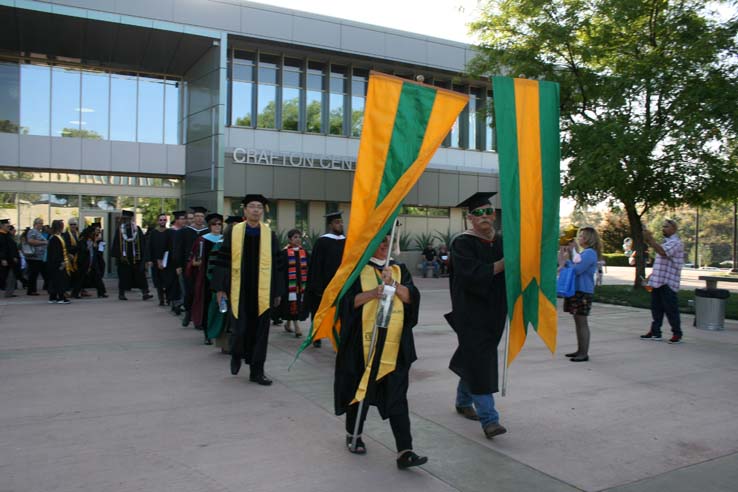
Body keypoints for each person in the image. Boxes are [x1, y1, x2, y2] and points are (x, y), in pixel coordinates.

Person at [334, 234, 427, 469]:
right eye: (380, 242)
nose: (385, 246)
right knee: (360, 390)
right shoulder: (356, 270)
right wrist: (374, 292)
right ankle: (353, 435)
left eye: (388, 241)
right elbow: (345, 304)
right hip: (361, 345)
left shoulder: (399, 269)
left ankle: (405, 451)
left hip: (394, 344)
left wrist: (393, 285)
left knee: (397, 396)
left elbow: (412, 298)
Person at [446, 192, 507, 439]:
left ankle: (462, 400)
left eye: (488, 212)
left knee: (474, 358)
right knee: (481, 362)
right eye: (478, 213)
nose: (484, 217)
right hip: (470, 313)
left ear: (494, 215)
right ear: (470, 218)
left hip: (495, 312)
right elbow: (472, 275)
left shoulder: (503, 241)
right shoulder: (462, 243)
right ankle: (489, 419)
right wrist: (505, 263)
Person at [212, 195, 283, 385]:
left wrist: (277, 292)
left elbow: (277, 265)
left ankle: (257, 371)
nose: (256, 210)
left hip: (262, 291)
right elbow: (223, 261)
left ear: (263, 211)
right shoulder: (233, 232)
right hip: (239, 290)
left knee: (261, 333)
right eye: (251, 206)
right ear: (244, 211)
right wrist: (220, 289)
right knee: (240, 330)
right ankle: (236, 353)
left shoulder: (270, 234)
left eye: (259, 207)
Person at [305, 211, 346, 348]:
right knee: (319, 311)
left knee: (340, 312)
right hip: (324, 284)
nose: (340, 225)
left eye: (341, 222)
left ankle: (339, 337)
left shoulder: (346, 241)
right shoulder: (322, 242)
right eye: (337, 222)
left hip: (341, 284)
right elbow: (316, 266)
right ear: (330, 225)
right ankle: (316, 335)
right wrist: (317, 286)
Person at [641, 219, 685, 343]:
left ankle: (677, 333)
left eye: (666, 226)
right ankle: (655, 332)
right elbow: (661, 262)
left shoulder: (676, 243)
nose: (663, 228)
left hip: (668, 283)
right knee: (656, 309)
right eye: (663, 226)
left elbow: (663, 252)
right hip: (658, 281)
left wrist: (650, 239)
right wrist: (651, 276)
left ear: (674, 229)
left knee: (671, 310)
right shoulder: (666, 242)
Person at [562, 227, 602, 362]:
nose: (579, 238)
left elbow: (577, 269)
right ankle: (580, 350)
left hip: (583, 291)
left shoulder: (590, 253)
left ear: (588, 238)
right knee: (578, 321)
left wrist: (568, 258)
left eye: (581, 236)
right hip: (578, 290)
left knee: (582, 322)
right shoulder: (585, 253)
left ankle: (583, 353)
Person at [187, 213, 223, 344]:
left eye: (219, 224)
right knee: (206, 305)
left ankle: (220, 333)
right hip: (206, 278)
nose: (217, 226)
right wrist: (195, 263)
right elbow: (194, 259)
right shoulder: (202, 240)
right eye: (214, 224)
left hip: (221, 278)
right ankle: (207, 334)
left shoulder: (225, 240)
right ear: (209, 226)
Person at [177, 206, 209, 327]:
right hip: (188, 267)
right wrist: (179, 265)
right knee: (189, 292)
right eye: (197, 216)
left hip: (203, 268)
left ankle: (198, 318)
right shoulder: (184, 232)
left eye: (201, 216)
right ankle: (188, 313)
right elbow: (178, 250)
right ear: (193, 218)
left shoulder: (207, 232)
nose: (199, 218)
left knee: (200, 293)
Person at [111, 210, 152, 301]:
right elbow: (116, 243)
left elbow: (143, 244)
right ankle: (121, 294)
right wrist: (118, 256)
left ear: (131, 219)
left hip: (136, 258)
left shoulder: (137, 229)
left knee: (140, 276)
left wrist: (145, 258)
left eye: (128, 219)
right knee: (123, 276)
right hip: (124, 259)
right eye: (125, 219)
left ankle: (145, 293)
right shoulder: (120, 230)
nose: (126, 220)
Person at [279, 229, 309, 337]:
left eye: (299, 237)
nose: (298, 239)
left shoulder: (304, 252)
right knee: (292, 305)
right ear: (290, 239)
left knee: (297, 305)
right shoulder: (284, 253)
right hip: (289, 285)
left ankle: (288, 324)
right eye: (295, 237)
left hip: (301, 285)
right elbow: (281, 270)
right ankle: (297, 327)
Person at [163, 211, 187, 314]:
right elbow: (164, 247)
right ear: (176, 220)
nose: (184, 221)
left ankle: (179, 303)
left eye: (184, 219)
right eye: (181, 219)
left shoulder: (186, 231)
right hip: (171, 262)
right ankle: (174, 303)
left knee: (181, 285)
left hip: (181, 261)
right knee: (173, 284)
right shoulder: (170, 232)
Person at [77, 223, 107, 298]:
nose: (97, 232)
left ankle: (101, 292)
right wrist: (94, 242)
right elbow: (84, 249)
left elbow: (101, 250)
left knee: (97, 276)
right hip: (86, 261)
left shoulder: (99, 239)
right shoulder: (84, 240)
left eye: (98, 230)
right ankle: (76, 292)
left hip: (95, 260)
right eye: (96, 230)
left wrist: (97, 243)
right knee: (81, 277)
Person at [46, 220, 71, 304]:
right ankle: (61, 297)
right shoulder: (56, 238)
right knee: (60, 280)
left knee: (54, 280)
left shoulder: (53, 237)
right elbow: (56, 252)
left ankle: (52, 297)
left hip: (53, 263)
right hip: (57, 263)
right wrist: (61, 262)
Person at [147, 213, 170, 306]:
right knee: (158, 281)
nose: (162, 221)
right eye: (161, 220)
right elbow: (149, 247)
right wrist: (149, 260)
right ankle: (161, 299)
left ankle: (168, 298)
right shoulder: (153, 233)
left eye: (164, 220)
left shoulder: (169, 232)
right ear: (158, 221)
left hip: (167, 260)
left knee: (167, 281)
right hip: (155, 260)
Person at [25, 218, 48, 296]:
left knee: (39, 273)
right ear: (35, 224)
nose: (41, 225)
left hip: (39, 257)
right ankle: (31, 290)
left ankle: (34, 289)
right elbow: (30, 241)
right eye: (40, 223)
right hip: (34, 257)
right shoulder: (33, 231)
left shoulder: (38, 232)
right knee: (33, 274)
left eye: (42, 223)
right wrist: (43, 242)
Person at [61, 218, 82, 298]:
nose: (73, 226)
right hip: (70, 257)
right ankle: (67, 291)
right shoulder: (66, 235)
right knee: (69, 275)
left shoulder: (78, 234)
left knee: (77, 275)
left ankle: (76, 291)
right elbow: (66, 246)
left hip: (78, 258)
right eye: (71, 224)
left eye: (74, 224)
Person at [0, 219, 21, 297]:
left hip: (11, 260)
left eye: (9, 225)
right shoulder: (1, 236)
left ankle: (9, 293)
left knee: (11, 276)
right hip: (6, 260)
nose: (9, 227)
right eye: (7, 226)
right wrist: (3, 259)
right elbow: (2, 248)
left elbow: (12, 247)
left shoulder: (8, 235)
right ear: (2, 226)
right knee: (6, 277)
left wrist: (15, 256)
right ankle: (8, 292)